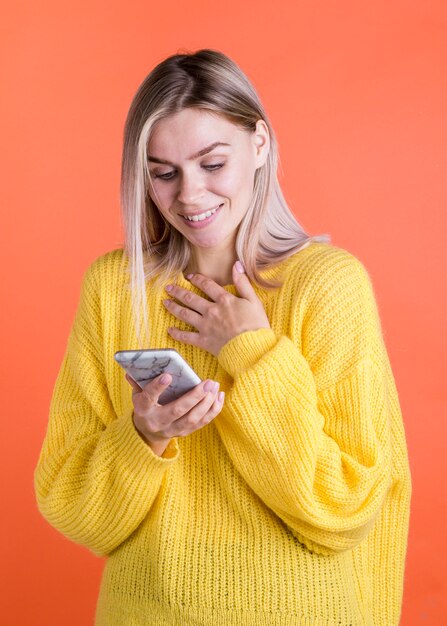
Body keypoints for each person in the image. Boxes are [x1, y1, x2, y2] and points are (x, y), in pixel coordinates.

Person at [34, 48, 412, 626]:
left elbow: (345, 507)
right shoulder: (115, 288)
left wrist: (253, 353)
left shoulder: (327, 286)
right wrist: (142, 435)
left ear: (259, 144)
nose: (189, 195)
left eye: (213, 164)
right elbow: (73, 508)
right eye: (164, 172)